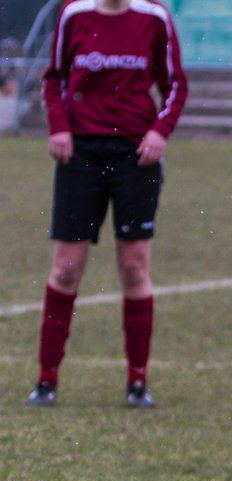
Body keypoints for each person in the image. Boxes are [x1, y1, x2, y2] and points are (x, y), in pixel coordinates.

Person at [29, 0, 187, 409]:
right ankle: (46, 380)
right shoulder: (72, 14)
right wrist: (59, 127)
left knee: (134, 268)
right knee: (66, 268)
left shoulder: (154, 18)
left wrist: (159, 131)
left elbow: (176, 86)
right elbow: (53, 79)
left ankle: (137, 382)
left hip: (136, 156)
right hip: (79, 155)